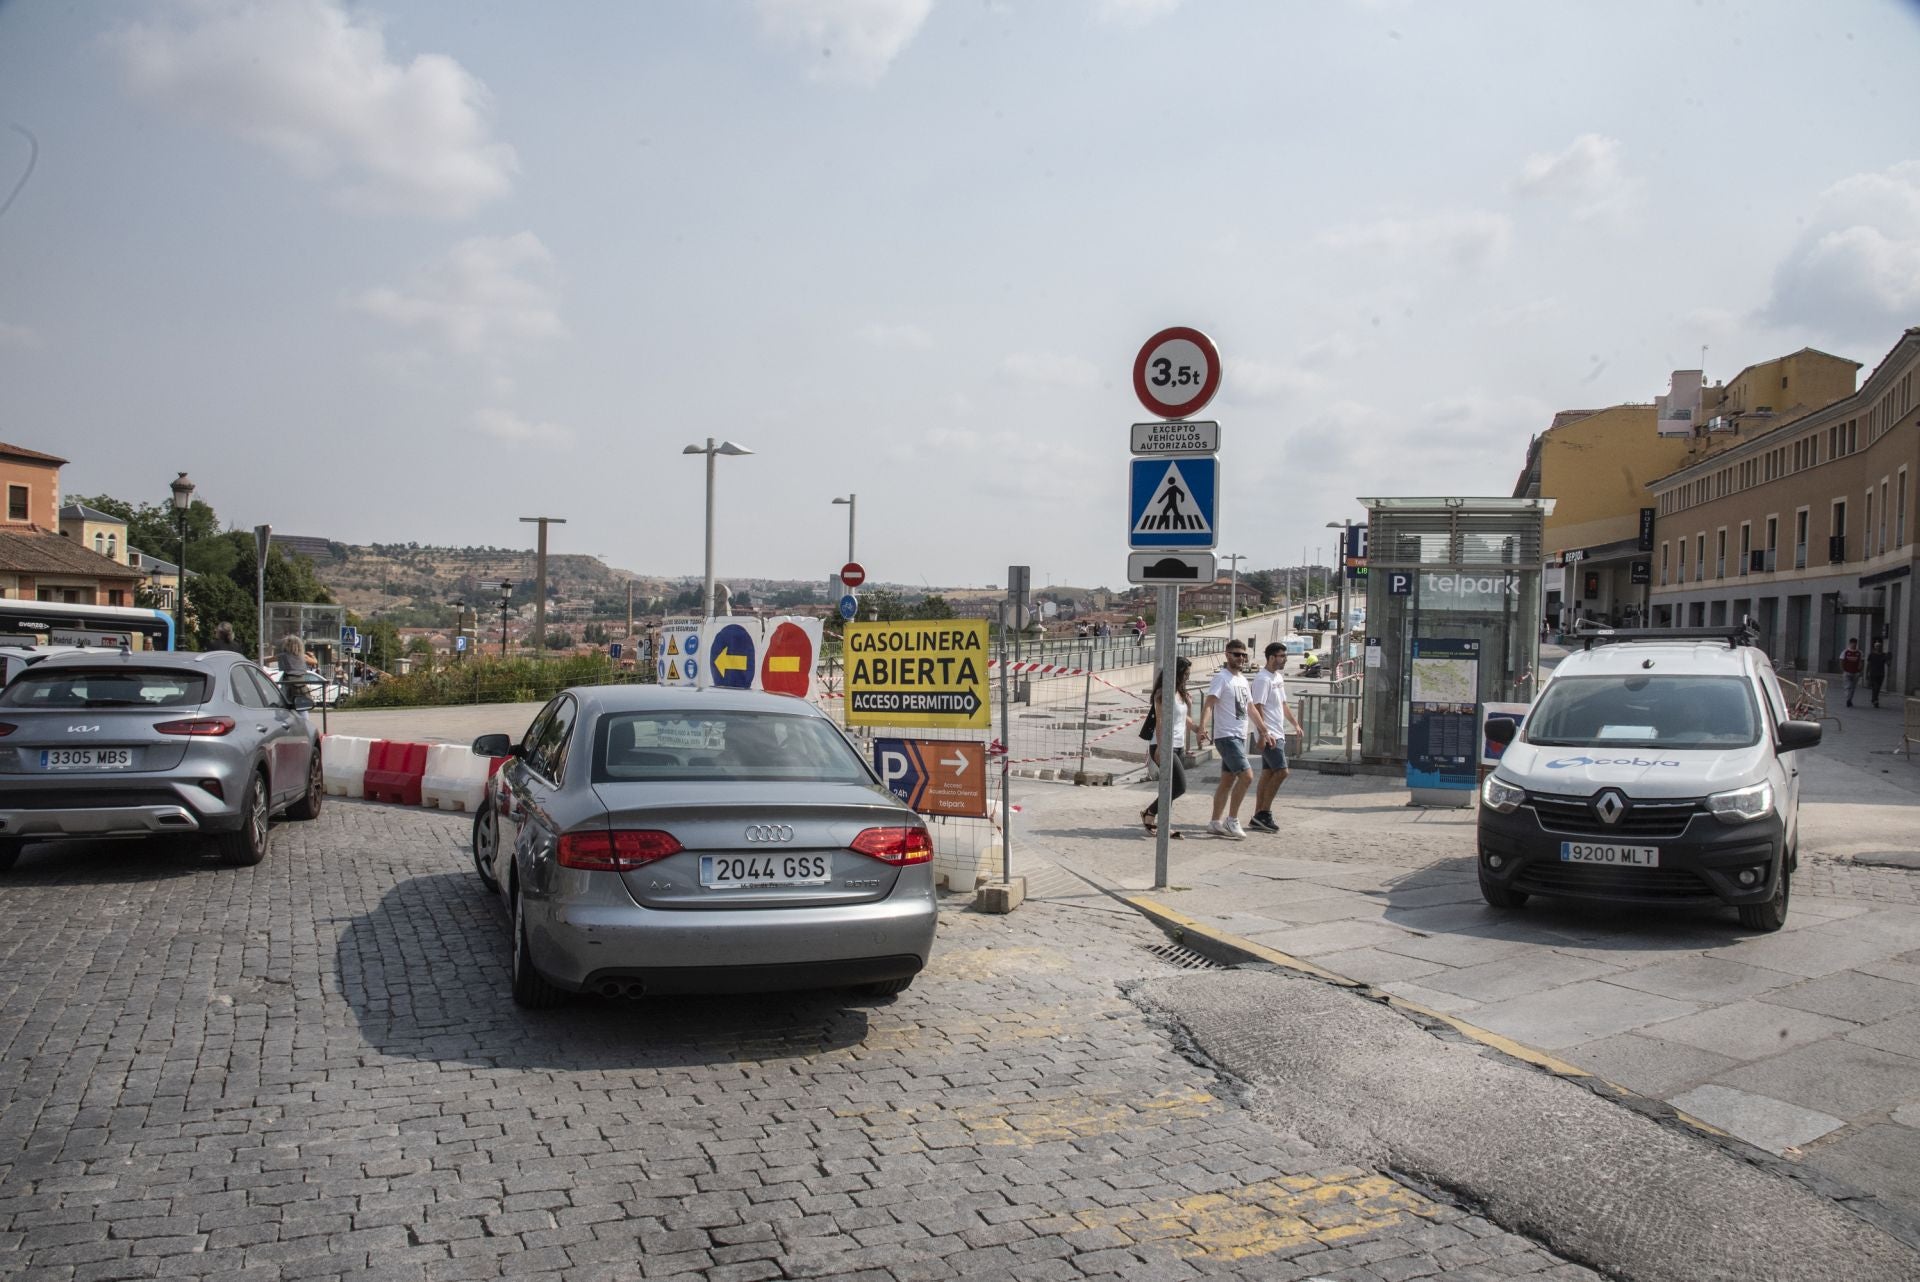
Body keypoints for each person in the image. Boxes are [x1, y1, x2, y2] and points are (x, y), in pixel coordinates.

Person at [1202, 641, 1264, 840]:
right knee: (1247, 776)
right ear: (1227, 655)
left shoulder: (1243, 680)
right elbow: (1210, 703)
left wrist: (1264, 730)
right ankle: (1232, 819)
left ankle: (1214, 821)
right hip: (1226, 735)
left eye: (1244, 655)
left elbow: (1251, 708)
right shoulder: (1222, 678)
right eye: (1237, 654)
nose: (1241, 658)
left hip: (1239, 735)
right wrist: (1202, 727)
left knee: (1227, 780)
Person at [1247, 642, 1306, 834]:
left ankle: (1258, 814)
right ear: (1271, 657)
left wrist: (1295, 724)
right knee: (1282, 771)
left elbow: (1283, 704)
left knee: (1268, 774)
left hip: (1277, 732)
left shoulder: (1277, 677)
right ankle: (1264, 812)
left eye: (1285, 655)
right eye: (1281, 656)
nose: (1285, 659)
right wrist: (1264, 733)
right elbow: (1258, 707)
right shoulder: (1263, 679)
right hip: (1270, 734)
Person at [1140, 657, 1197, 838]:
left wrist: (1197, 729)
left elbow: (1182, 718)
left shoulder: (1181, 693)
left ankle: (1159, 822)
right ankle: (1150, 813)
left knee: (1170, 787)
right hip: (1164, 745)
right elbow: (1160, 720)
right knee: (1179, 786)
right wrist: (1160, 748)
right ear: (1177, 673)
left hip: (1178, 745)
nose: (1187, 677)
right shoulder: (1162, 693)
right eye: (1185, 673)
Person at [1867, 638, 1891, 708]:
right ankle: (1875, 700)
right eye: (1877, 646)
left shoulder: (1884, 655)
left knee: (1877, 688)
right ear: (1874, 647)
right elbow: (1868, 664)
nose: (1878, 647)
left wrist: (1889, 659)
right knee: (1875, 687)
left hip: (1881, 674)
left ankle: (1873, 699)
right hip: (1873, 673)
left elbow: (1888, 664)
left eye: (1880, 646)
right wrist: (1867, 673)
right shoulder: (1871, 655)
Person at [1841, 637, 1864, 707]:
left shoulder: (1859, 652)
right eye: (1852, 644)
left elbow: (1861, 661)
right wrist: (1843, 669)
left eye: (1855, 644)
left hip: (1856, 672)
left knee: (1853, 687)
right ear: (1850, 644)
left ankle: (1850, 699)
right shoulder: (1845, 652)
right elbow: (1841, 661)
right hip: (1847, 672)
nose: (1854, 645)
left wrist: (1860, 670)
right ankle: (1848, 698)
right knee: (1847, 686)